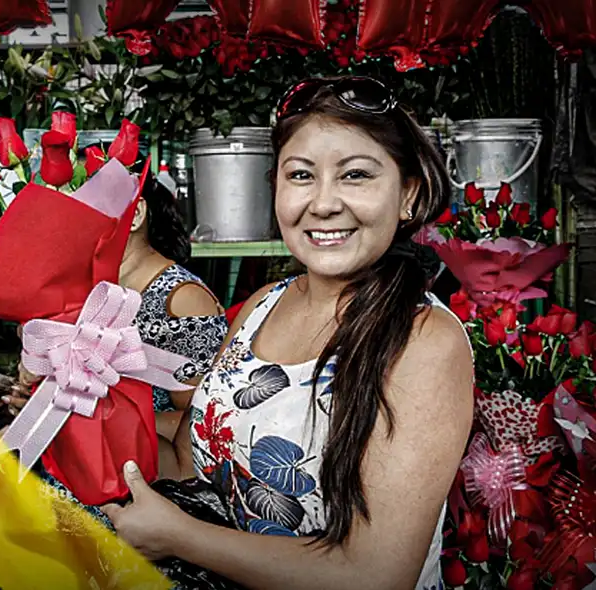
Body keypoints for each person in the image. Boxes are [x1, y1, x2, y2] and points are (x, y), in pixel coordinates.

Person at [100, 77, 474, 590]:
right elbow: (189, 464)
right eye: (301, 175)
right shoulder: (261, 306)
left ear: (408, 194)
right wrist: (82, 397)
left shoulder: (424, 339)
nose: (322, 204)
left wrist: (179, 537)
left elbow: (376, 574)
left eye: (356, 175)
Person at [0, 173, 228, 524]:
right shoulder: (83, 293)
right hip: (69, 486)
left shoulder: (182, 299)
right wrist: (32, 406)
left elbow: (205, 427)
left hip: (138, 500)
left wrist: (107, 417)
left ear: (135, 215)